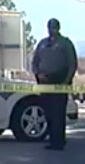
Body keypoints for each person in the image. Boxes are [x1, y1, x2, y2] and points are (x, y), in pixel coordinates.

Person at [30, 18, 78, 150]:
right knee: (48, 113)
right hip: (44, 82)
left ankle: (59, 141)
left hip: (60, 81)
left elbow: (72, 64)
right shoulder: (42, 44)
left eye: (54, 27)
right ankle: (51, 140)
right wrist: (38, 75)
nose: (52, 30)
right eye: (50, 28)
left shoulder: (65, 43)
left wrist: (66, 81)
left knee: (58, 113)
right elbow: (34, 62)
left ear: (58, 28)